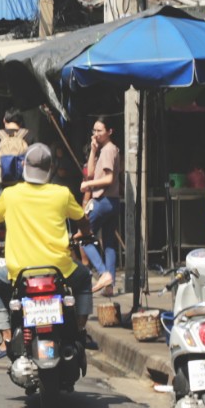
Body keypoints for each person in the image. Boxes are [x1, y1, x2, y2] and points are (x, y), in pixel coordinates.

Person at [0, 144, 89, 361]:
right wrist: (83, 234)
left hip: (20, 272)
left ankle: (7, 336)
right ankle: (79, 326)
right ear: (51, 168)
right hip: (60, 269)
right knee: (84, 277)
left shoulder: (10, 195)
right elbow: (83, 221)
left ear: (24, 166)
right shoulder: (62, 193)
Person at [79, 116, 123, 296]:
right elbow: (90, 173)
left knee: (83, 237)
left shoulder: (108, 150)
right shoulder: (104, 149)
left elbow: (108, 178)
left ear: (109, 132)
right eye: (94, 131)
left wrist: (87, 186)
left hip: (103, 200)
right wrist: (92, 151)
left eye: (99, 131)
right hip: (112, 202)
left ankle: (104, 273)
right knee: (109, 244)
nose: (96, 134)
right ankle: (109, 286)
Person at [0, 116, 30, 187]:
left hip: (3, 186)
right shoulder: (29, 135)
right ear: (21, 122)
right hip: (23, 186)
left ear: (4, 120)